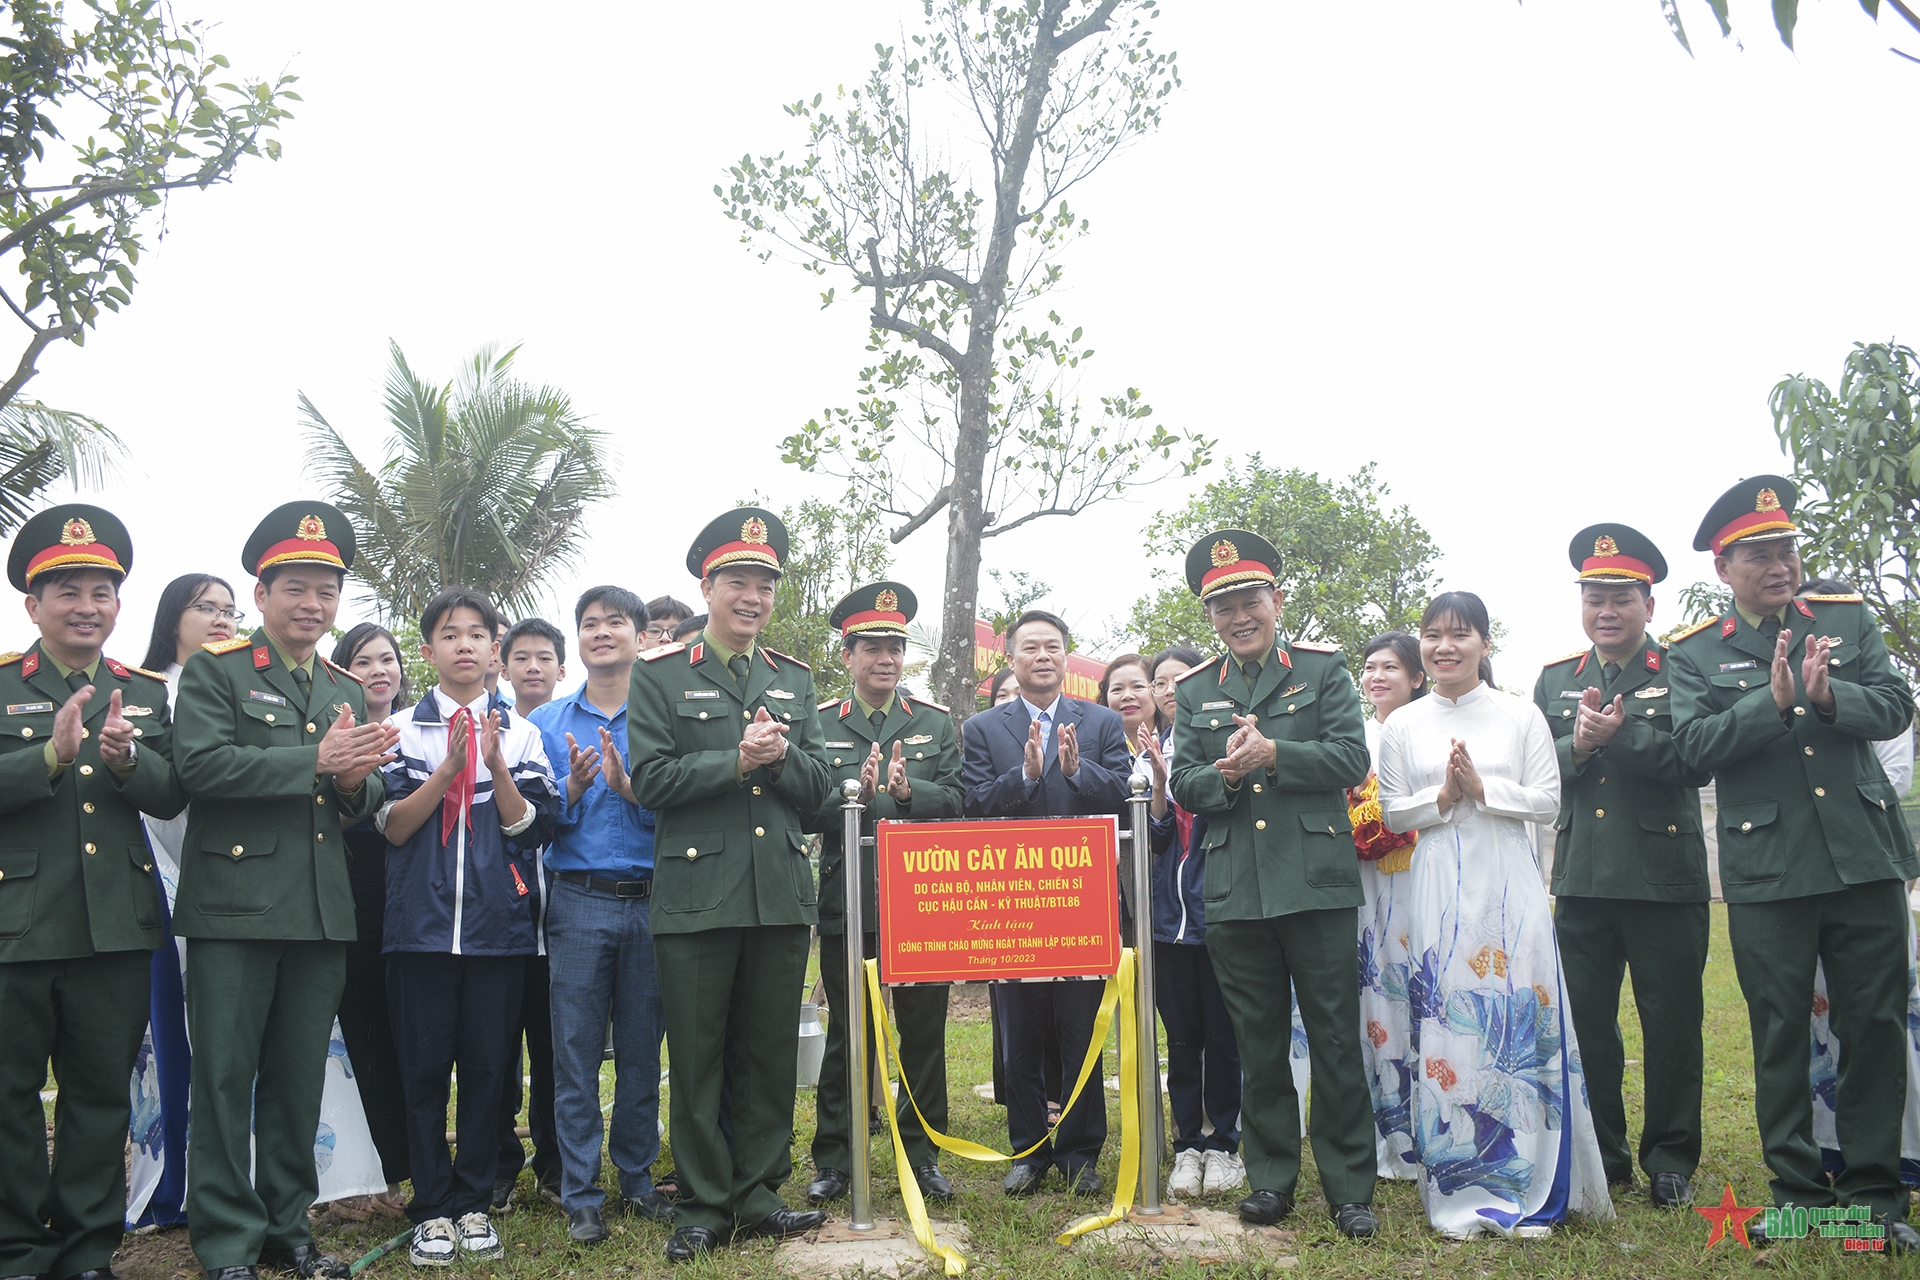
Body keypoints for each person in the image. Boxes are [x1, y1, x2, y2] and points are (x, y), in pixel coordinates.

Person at [1667, 477, 1919, 1252]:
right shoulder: (1696, 653)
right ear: (1723, 566)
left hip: (1865, 861)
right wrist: (1768, 703)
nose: (1778, 564)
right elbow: (1690, 751)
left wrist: (1829, 695)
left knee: (1872, 1028)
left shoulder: (1844, 620)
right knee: (1779, 1031)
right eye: (1758, 554)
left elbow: (1896, 704)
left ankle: (1876, 1200)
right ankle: (1800, 1193)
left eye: (1786, 549)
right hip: (1768, 870)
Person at [172, 501, 400, 1280]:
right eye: (296, 587)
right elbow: (198, 768)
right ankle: (227, 1244)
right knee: (227, 1078)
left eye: (327, 592)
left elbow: (352, 800)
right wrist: (316, 762)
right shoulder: (218, 669)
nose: (312, 605)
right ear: (262, 592)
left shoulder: (338, 683)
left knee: (299, 1081)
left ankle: (285, 1228)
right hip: (234, 908)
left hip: (318, 907)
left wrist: (356, 781)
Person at [626, 509, 834, 1262]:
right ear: (707, 587)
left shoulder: (794, 679)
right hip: (696, 895)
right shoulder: (659, 674)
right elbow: (649, 781)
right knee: (700, 1053)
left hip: (778, 890)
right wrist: (737, 762)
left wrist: (776, 761)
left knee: (770, 1050)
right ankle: (705, 1204)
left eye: (764, 586)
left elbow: (818, 791)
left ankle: (759, 1193)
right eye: (737, 583)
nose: (752, 598)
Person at [1377, 591, 1612, 1238]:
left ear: (1484, 643)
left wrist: (1484, 791)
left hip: (1510, 881)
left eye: (1460, 634)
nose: (1445, 646)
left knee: (1518, 1011)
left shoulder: (1520, 715)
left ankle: (1533, 1182)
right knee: (1448, 1018)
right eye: (1433, 634)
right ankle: (1458, 1182)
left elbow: (1547, 801)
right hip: (1437, 882)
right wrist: (1443, 797)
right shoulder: (1403, 724)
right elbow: (1394, 812)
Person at [1165, 531, 1378, 1237]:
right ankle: (1271, 1179)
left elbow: (1350, 756)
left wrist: (1275, 752)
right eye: (1223, 606)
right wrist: (1226, 772)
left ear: (1276, 602)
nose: (1238, 615)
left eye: (1250, 599)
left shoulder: (1322, 671)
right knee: (1256, 1042)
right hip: (1235, 889)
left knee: (1335, 1039)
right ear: (1210, 618)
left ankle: (1350, 1187)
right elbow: (1185, 782)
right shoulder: (1196, 690)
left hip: (1315, 885)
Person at [0, 505, 186, 1280]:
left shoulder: (140, 692)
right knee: (8, 1099)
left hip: (116, 924)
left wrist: (122, 761)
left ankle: (85, 1251)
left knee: (98, 1096)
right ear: (32, 605)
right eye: (68, 590)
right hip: (17, 925)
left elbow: (171, 793)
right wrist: (50, 754)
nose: (87, 605)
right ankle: (17, 1248)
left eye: (102, 591)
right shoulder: (7, 683)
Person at [1530, 526, 1711, 1210]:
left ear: (1649, 606)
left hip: (1664, 881)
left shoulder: (1682, 669)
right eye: (1595, 598)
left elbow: (1697, 759)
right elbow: (1536, 765)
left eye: (1621, 599)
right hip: (1581, 880)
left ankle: (1669, 1158)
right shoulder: (1556, 679)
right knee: (1588, 1029)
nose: (1607, 611)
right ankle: (1603, 1156)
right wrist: (1577, 746)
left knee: (1671, 1028)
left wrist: (1625, 737)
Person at [377, 588, 558, 1266]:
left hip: (498, 930)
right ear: (428, 650)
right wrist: (448, 768)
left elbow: (530, 829)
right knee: (422, 1072)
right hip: (418, 933)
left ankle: (476, 1202)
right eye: (450, 634)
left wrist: (494, 766)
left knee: (489, 1071)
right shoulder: (401, 729)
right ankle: (430, 1208)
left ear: (493, 651)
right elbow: (391, 827)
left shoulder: (523, 731)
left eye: (477, 634)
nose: (464, 645)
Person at [962, 609, 1131, 1198]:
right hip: (1012, 904)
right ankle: (1029, 1149)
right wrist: (1025, 778)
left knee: (1082, 1027)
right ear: (1010, 659)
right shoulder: (983, 728)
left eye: (1052, 647)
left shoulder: (1103, 721)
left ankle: (1082, 1153)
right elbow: (974, 804)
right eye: (1030, 647)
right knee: (1021, 1030)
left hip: (1083, 899)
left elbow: (1125, 796)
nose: (1042, 656)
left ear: (1065, 657)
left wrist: (1076, 770)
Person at [804, 583, 963, 1207]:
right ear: (847, 656)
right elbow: (805, 807)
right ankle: (838, 1158)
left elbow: (954, 801)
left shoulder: (933, 722)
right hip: (849, 899)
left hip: (922, 902)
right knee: (849, 1031)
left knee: (924, 1033)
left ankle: (923, 1155)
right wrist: (854, 794)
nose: (886, 659)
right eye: (872, 647)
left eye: (895, 647)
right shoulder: (819, 725)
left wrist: (903, 796)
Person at [531, 588, 672, 1243]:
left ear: (639, 637)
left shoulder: (662, 719)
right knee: (575, 1053)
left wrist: (629, 790)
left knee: (643, 1053)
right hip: (579, 902)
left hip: (652, 901)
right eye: (589, 624)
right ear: (579, 641)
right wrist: (576, 789)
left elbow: (679, 809)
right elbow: (529, 821)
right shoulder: (548, 722)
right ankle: (581, 1192)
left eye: (615, 621)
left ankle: (638, 1182)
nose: (602, 632)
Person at [126, 572, 243, 1229]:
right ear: (173, 618)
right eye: (207, 608)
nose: (222, 619)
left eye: (230, 610)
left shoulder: (249, 690)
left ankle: (240, 1177)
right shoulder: (147, 693)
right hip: (163, 880)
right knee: (172, 1035)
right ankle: (172, 1181)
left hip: (242, 883)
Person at [1133, 646, 1246, 1199]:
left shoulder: (1226, 743)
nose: (1170, 689)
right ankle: (1186, 1146)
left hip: (1221, 914)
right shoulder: (1147, 753)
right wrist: (1157, 783)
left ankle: (1225, 1143)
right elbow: (1154, 843)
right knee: (1181, 1038)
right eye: (1161, 682)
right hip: (1166, 924)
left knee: (1224, 1037)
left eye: (1182, 679)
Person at [330, 623, 415, 1217]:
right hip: (345, 884)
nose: (379, 670)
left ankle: (395, 1172)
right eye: (363, 660)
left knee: (397, 1030)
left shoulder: (417, 729)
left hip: (405, 890)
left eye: (388, 659)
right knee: (353, 1026)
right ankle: (347, 1179)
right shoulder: (331, 732)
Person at [494, 616, 569, 1209]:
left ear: (561, 669)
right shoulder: (492, 731)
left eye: (545, 657)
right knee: (493, 1051)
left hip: (560, 922)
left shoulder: (570, 727)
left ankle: (553, 1164)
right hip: (501, 923)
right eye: (522, 658)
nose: (534, 668)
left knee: (554, 1052)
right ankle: (498, 1165)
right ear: (503, 665)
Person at [1353, 631, 1424, 1181]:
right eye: (1371, 667)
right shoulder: (1351, 735)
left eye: (1391, 668)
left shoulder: (1430, 731)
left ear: (1417, 676)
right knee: (1377, 997)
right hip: (1365, 884)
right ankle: (1386, 1132)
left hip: (1421, 878)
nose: (1377, 677)